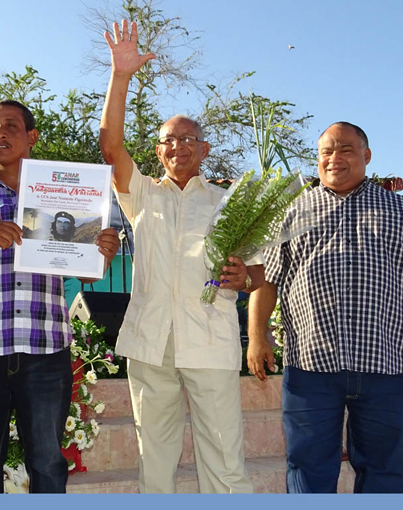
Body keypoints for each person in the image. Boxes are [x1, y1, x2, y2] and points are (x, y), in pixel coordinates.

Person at [99, 20, 264, 494]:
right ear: (158, 151)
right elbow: (111, 148)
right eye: (169, 140)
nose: (178, 146)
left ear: (204, 149)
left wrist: (244, 279)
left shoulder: (228, 201)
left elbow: (258, 270)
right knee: (156, 458)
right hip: (151, 342)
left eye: (188, 139)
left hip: (209, 341)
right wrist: (121, 75)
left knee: (224, 456)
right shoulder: (142, 195)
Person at [0, 99, 119, 493]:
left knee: (48, 463)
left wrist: (102, 251)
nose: (0, 133)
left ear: (32, 137)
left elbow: (88, 275)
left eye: (11, 125)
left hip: (46, 351)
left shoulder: (61, 195)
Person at [248, 122, 403, 493]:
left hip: (385, 363)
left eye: (346, 150)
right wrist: (257, 334)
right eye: (326, 152)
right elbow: (267, 278)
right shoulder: (290, 211)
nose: (334, 158)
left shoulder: (397, 211)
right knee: (308, 467)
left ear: (367, 156)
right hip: (311, 367)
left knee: (386, 469)